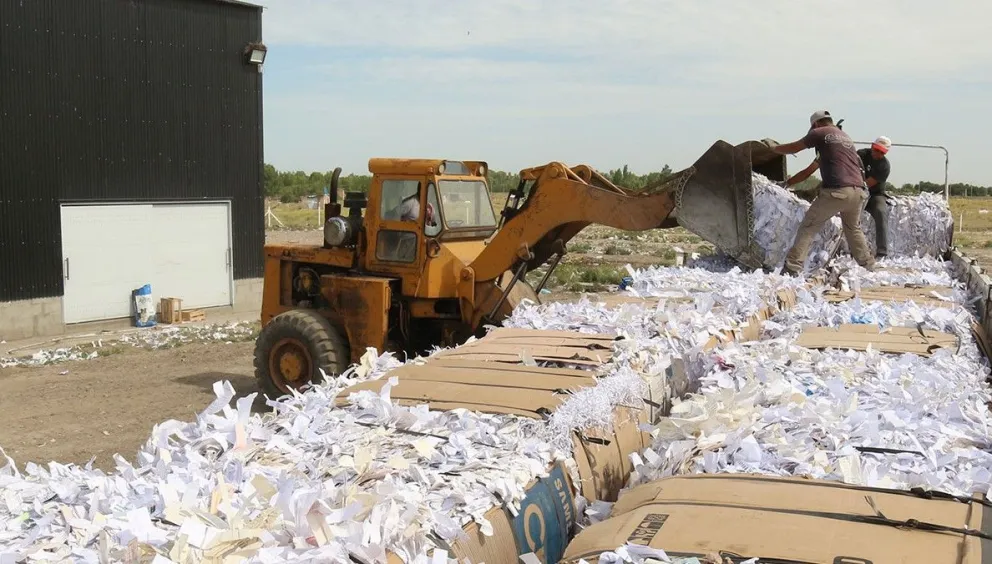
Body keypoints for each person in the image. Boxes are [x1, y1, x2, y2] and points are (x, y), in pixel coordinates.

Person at [766, 110, 876, 275]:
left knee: (809, 226)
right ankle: (868, 265)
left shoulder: (819, 132)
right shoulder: (844, 137)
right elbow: (811, 169)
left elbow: (795, 148)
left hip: (837, 191)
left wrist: (774, 148)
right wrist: (788, 182)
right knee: (853, 229)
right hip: (858, 191)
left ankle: (792, 267)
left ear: (815, 124)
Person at [859, 136, 892, 258]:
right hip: (855, 189)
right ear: (872, 146)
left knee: (880, 211)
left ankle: (882, 251)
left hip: (874, 194)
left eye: (881, 152)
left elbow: (867, 184)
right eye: (876, 149)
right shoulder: (861, 155)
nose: (877, 153)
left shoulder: (884, 166)